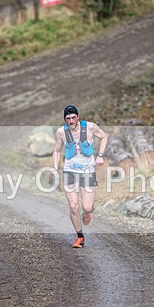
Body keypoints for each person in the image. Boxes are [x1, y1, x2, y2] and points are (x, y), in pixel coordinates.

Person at [52, 105, 108, 248]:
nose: (71, 121)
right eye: (68, 118)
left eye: (73, 117)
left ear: (78, 117)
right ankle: (80, 237)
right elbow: (56, 151)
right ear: (65, 119)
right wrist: (54, 167)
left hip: (87, 171)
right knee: (73, 206)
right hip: (69, 171)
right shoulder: (61, 132)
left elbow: (104, 137)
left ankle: (88, 212)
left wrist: (100, 156)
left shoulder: (90, 127)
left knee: (87, 207)